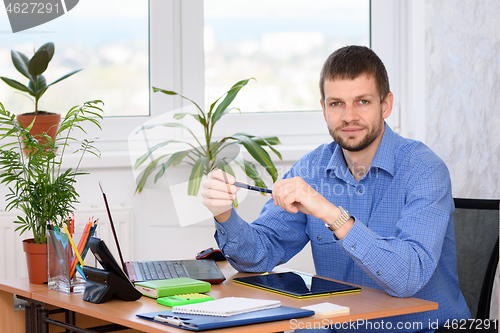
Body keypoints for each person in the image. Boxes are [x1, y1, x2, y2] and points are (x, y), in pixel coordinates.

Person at [201, 45, 470, 332]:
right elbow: (259, 256)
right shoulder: (311, 168)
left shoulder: (425, 170)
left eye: (363, 102)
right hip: (341, 327)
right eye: (336, 103)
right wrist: (224, 214)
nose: (348, 116)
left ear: (386, 105)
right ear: (324, 108)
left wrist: (330, 212)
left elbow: (407, 277)